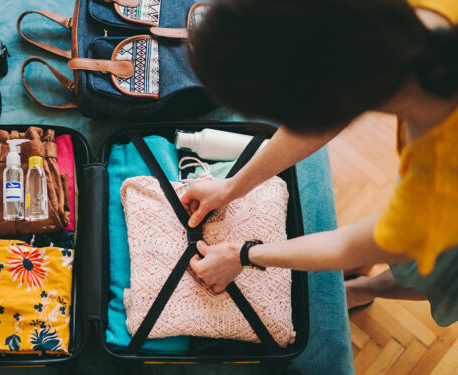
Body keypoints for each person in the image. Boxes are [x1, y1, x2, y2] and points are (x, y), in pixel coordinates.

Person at [183, 0, 458, 327]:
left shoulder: (435, 195)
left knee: (437, 274)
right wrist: (231, 186)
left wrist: (243, 256)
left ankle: (364, 289)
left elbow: (350, 245)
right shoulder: (375, 37)